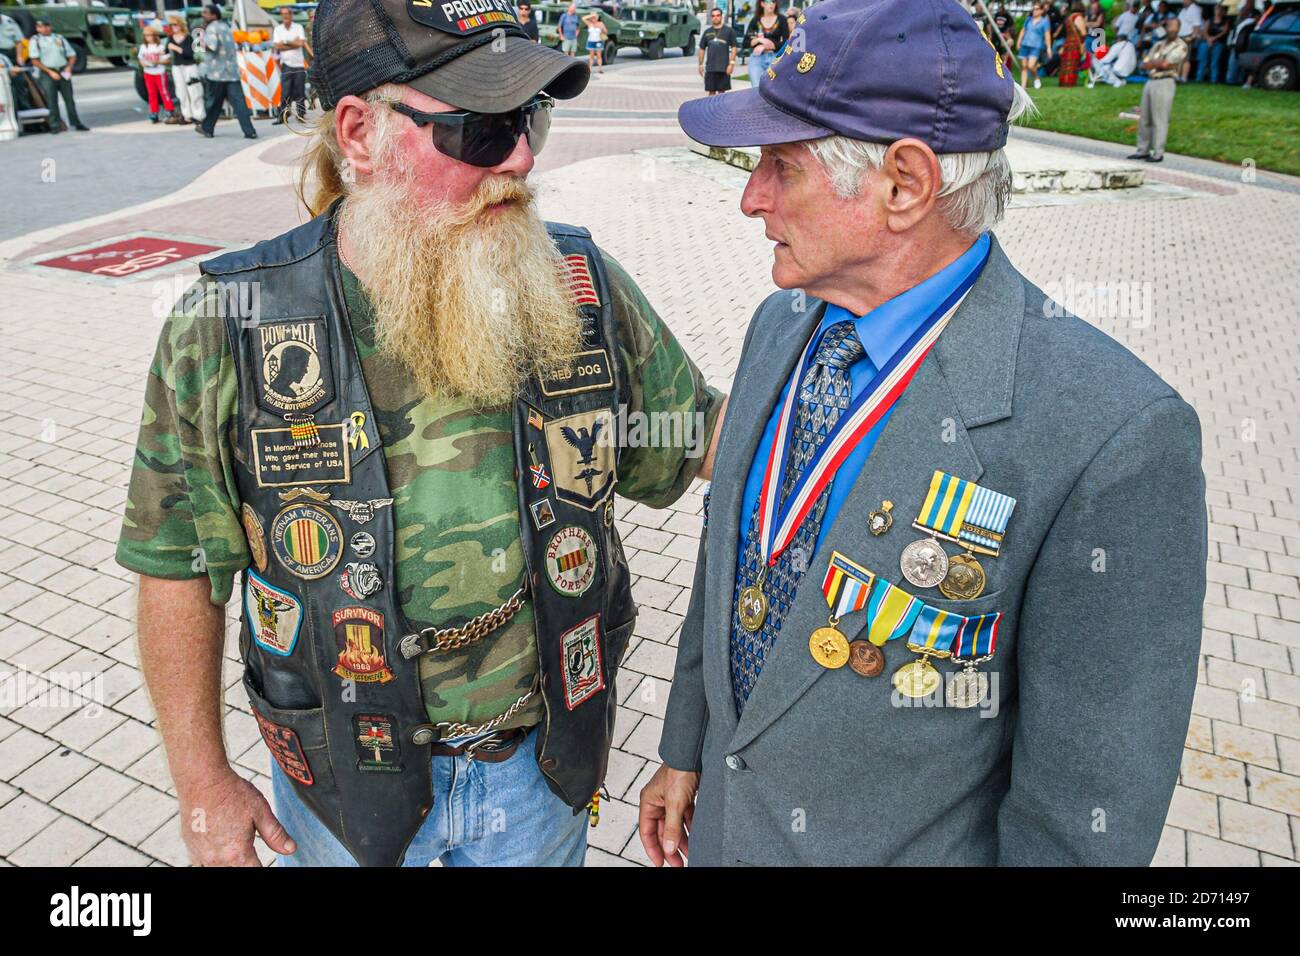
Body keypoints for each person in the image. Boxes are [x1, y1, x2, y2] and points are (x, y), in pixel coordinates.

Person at [119, 0, 726, 869]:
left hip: (541, 769)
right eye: (481, 129)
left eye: (530, 119)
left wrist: (857, 370)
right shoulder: (231, 322)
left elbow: (704, 437)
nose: (520, 159)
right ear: (360, 133)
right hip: (338, 780)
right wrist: (202, 782)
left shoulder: (577, 282)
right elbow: (176, 566)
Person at [638, 0, 1205, 868]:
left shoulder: (1115, 435)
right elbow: (730, 561)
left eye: (781, 166)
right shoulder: (779, 324)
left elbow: (1082, 815)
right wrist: (686, 745)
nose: (752, 198)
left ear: (904, 184)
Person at [1129, 15, 1187, 161]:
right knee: (1145, 117)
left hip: (1165, 81)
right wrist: (1156, 63)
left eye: (1174, 27)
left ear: (1179, 29)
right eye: (1169, 26)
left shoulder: (1181, 46)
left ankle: (1158, 152)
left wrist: (1154, 63)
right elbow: (1144, 63)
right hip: (1151, 80)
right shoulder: (1159, 44)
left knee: (1160, 118)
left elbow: (1166, 64)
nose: (1171, 30)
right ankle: (1142, 150)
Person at [196, 4, 257, 139]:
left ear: (214, 15)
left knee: (214, 103)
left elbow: (211, 47)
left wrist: (199, 39)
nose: (203, 15)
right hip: (232, 72)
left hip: (217, 73)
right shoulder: (225, 26)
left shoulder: (211, 28)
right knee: (239, 103)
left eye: (206, 12)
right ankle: (249, 131)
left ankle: (207, 128)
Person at [27, 19, 88, 133]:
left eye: (47, 26)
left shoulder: (59, 38)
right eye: (42, 27)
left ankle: (76, 122)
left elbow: (72, 55)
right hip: (47, 72)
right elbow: (34, 60)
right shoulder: (35, 41)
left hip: (63, 70)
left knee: (69, 99)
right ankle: (55, 125)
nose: (45, 29)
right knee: (51, 100)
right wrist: (50, 72)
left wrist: (69, 67)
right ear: (37, 28)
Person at [273, 6, 308, 124]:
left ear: (291, 15)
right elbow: (277, 46)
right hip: (286, 64)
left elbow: (301, 43)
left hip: (298, 64)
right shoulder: (278, 29)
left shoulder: (298, 27)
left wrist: (285, 42)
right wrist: (293, 42)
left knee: (300, 91)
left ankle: (301, 114)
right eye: (283, 14)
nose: (285, 16)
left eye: (286, 13)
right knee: (285, 93)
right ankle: (283, 116)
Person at [139, 26, 179, 124]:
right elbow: (140, 58)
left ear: (155, 36)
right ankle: (154, 112)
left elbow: (168, 60)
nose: (149, 37)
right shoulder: (143, 47)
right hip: (148, 73)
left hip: (159, 73)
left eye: (150, 35)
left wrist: (158, 62)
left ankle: (169, 110)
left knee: (164, 92)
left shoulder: (160, 47)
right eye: (146, 36)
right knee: (151, 93)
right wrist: (143, 63)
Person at [167, 16, 203, 125]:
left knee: (194, 91)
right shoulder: (170, 38)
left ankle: (199, 116)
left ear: (180, 25)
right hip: (177, 67)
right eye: (171, 25)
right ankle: (187, 116)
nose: (173, 27)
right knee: (181, 92)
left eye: (175, 24)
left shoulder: (188, 38)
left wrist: (176, 48)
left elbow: (189, 53)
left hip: (189, 66)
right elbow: (165, 52)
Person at [745, 0, 788, 92]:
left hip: (775, 59)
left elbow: (787, 42)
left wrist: (767, 46)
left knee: (773, 90)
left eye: (773, 1)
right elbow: (746, 42)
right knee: (756, 89)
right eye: (768, 1)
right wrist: (759, 40)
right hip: (757, 59)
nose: (771, 4)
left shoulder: (782, 19)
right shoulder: (755, 20)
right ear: (762, 3)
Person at [699, 6, 737, 97]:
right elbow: (702, 48)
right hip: (710, 68)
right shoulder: (707, 32)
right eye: (713, 16)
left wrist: (731, 64)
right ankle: (710, 107)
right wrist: (700, 64)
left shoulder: (729, 31)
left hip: (723, 68)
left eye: (718, 15)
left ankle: (720, 107)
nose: (715, 17)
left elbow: (734, 48)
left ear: (721, 16)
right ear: (711, 17)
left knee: (721, 94)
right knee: (711, 93)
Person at [1017, 3, 1051, 88]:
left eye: (1037, 9)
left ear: (1041, 11)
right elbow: (1023, 31)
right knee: (1024, 66)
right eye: (1034, 9)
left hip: (1036, 46)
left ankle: (1036, 78)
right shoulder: (1028, 19)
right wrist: (1019, 42)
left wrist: (1048, 48)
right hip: (1025, 44)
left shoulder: (1045, 22)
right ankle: (1023, 87)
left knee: (1031, 66)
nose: (1034, 11)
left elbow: (1047, 35)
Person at [1227, 0, 1258, 85]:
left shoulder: (1255, 15)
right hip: (1235, 43)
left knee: (1242, 64)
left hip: (1245, 43)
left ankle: (1239, 80)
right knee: (1232, 62)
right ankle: (1230, 80)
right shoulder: (1239, 18)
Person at [1197, 4, 1228, 82]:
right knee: (1202, 61)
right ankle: (1199, 79)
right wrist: (1209, 39)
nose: (1218, 11)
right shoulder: (1210, 20)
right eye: (1216, 9)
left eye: (1219, 9)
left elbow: (1224, 32)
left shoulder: (1225, 21)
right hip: (1207, 41)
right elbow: (1204, 31)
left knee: (1214, 62)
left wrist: (1214, 38)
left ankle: (1214, 80)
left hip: (1218, 43)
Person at [1058, 2, 1087, 85]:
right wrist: (1082, 43)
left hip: (1067, 42)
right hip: (1075, 44)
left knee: (1066, 64)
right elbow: (1083, 33)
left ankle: (1064, 82)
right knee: (1073, 64)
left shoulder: (1069, 18)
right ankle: (1069, 82)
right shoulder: (1078, 17)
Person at [1176, 0, 1202, 80]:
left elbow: (1197, 26)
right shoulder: (1184, 10)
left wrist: (1191, 38)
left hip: (1187, 36)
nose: (1183, 1)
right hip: (1179, 36)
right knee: (1179, 58)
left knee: (1186, 59)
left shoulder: (1195, 9)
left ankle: (1184, 77)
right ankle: (1177, 76)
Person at [583, 9, 606, 74]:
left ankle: (600, 69)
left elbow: (606, 31)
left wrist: (602, 29)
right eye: (593, 17)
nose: (594, 19)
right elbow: (583, 18)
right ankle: (590, 69)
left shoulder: (600, 23)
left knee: (599, 55)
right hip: (591, 41)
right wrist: (592, 15)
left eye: (595, 17)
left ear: (597, 17)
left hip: (598, 41)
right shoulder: (589, 23)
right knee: (591, 56)